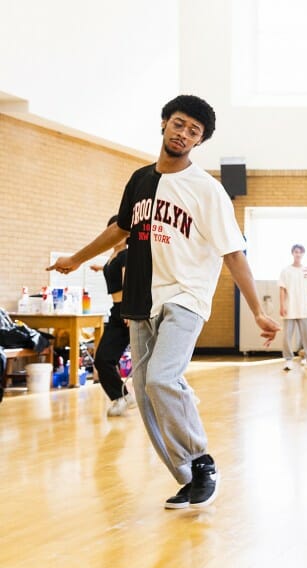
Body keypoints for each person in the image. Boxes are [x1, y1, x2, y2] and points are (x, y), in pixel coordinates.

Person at [48, 94, 279, 509]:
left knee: (161, 379)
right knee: (143, 389)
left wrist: (258, 310)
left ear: (200, 141)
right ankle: (188, 476)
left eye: (194, 131)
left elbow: (233, 253)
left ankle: (204, 462)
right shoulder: (139, 180)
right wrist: (76, 260)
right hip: (140, 300)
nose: (184, 133)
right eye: (179, 124)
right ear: (163, 124)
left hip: (185, 297)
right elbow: (120, 229)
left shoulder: (208, 190)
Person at [87, 216, 134, 416]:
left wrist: (129, 312)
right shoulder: (114, 256)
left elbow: (130, 283)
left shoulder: (126, 255)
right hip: (116, 313)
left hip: (127, 313)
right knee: (102, 359)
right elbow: (112, 272)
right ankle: (121, 396)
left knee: (147, 361)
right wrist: (101, 269)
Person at [279, 244, 307, 371]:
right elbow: (282, 289)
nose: (298, 254)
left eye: (300, 252)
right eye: (296, 252)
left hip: (304, 308)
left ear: (303, 254)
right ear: (292, 253)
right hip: (290, 307)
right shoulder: (286, 271)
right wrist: (282, 305)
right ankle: (288, 360)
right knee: (287, 335)